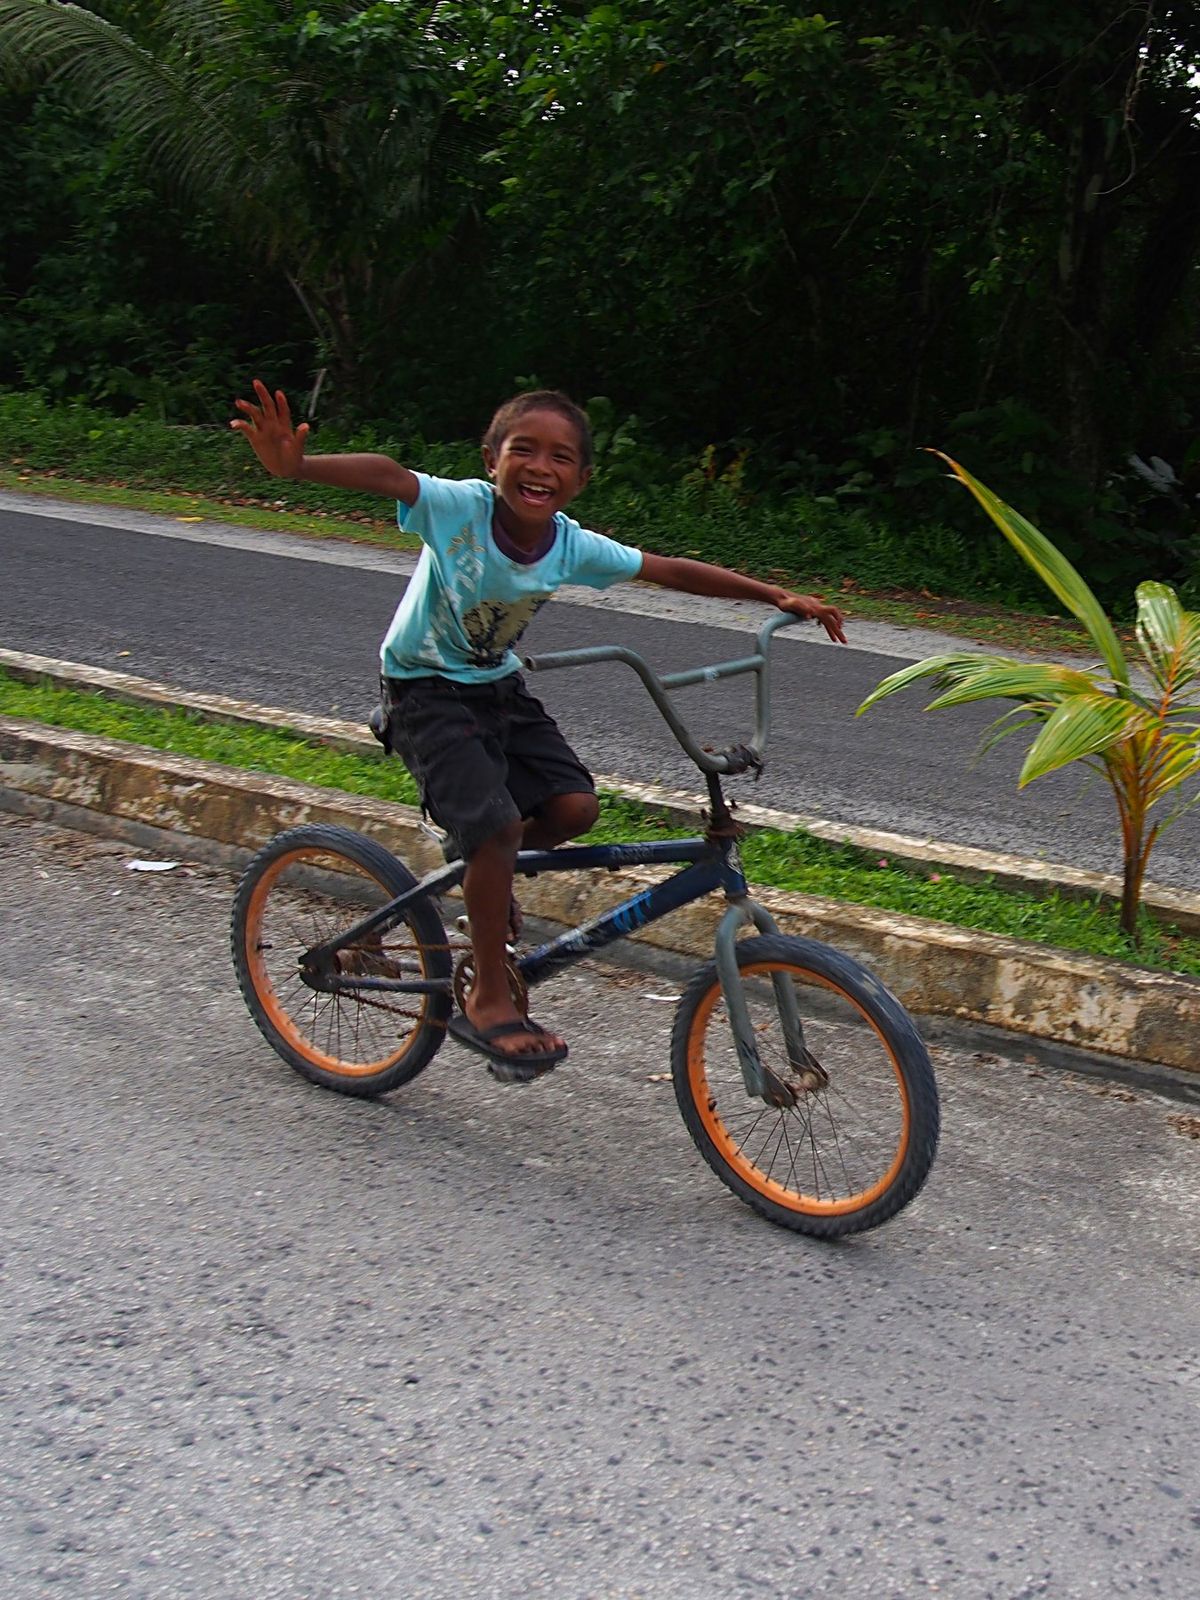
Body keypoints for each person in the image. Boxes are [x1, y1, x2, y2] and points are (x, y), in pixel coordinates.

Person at [231, 380, 846, 1082]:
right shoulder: (460, 508)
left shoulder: (569, 544)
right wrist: (297, 467)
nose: (540, 467)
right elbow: (392, 476)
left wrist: (773, 595)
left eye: (560, 458)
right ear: (490, 459)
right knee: (496, 831)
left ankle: (484, 874)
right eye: (523, 450)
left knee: (574, 809)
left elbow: (667, 569)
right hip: (423, 691)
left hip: (497, 688)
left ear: (580, 479)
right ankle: (489, 996)